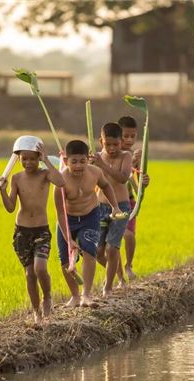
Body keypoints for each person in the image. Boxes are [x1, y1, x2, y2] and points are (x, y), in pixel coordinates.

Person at [0, 138, 65, 324]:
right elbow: (11, 207)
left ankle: (48, 297)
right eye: (24, 159)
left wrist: (47, 160)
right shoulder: (17, 178)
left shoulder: (45, 174)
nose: (28, 163)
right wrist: (2, 191)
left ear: (39, 157)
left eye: (32, 159)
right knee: (29, 274)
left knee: (40, 268)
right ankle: (36, 312)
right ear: (18, 158)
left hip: (41, 231)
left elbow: (61, 181)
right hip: (22, 233)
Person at [55, 140, 122, 307]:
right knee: (65, 260)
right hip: (67, 219)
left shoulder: (95, 173)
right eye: (74, 162)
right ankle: (75, 296)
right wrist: (68, 238)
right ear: (65, 161)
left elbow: (106, 186)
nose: (78, 166)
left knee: (89, 251)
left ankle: (86, 295)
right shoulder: (60, 182)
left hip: (90, 216)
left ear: (88, 159)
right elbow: (60, 213)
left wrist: (115, 206)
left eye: (82, 161)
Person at [92, 122, 133, 296]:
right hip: (100, 207)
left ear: (121, 142)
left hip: (121, 207)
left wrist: (103, 165)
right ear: (101, 142)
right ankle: (119, 276)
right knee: (98, 252)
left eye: (115, 144)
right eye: (107, 144)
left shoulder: (126, 156)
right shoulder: (96, 157)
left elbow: (123, 178)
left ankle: (108, 287)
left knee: (112, 247)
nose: (111, 148)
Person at [118, 115, 150, 281]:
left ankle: (128, 265)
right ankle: (117, 275)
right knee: (111, 244)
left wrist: (144, 181)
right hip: (110, 203)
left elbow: (138, 183)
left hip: (129, 202)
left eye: (133, 136)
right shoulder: (111, 155)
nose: (129, 140)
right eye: (125, 136)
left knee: (129, 235)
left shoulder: (135, 156)